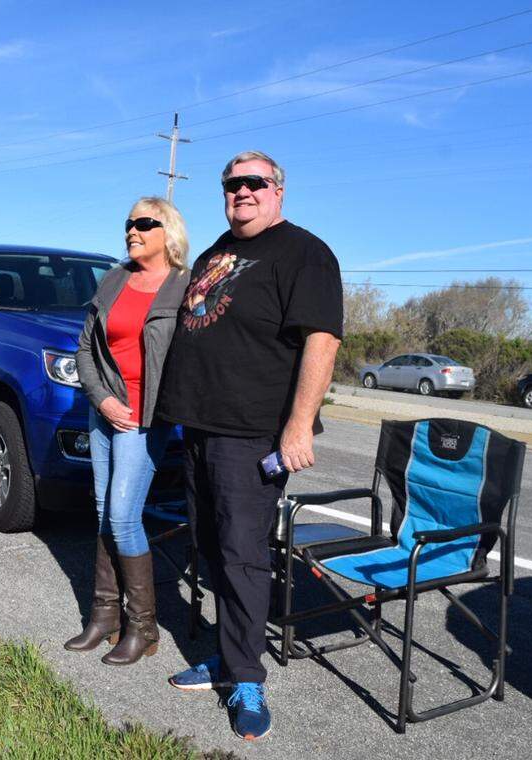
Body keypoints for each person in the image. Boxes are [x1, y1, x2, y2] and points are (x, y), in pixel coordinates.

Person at [157, 151, 343, 740]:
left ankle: (247, 678)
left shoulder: (305, 253)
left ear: (278, 190)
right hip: (200, 427)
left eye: (254, 182)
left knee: (242, 555)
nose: (242, 191)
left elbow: (322, 340)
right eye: (232, 184)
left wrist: (299, 424)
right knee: (211, 546)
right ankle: (228, 654)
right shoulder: (218, 251)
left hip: (251, 433)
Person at [67, 197, 191, 665]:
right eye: (128, 223)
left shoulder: (184, 286)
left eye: (144, 223)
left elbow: (192, 357)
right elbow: (85, 349)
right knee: (103, 512)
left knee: (123, 516)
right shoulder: (115, 279)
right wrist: (102, 399)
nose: (132, 231)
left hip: (145, 418)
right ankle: (105, 616)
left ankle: (144, 626)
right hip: (105, 411)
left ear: (168, 231)